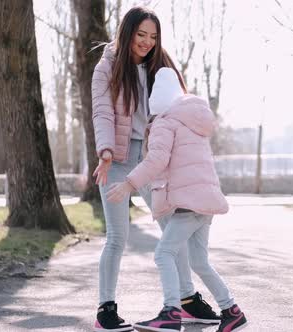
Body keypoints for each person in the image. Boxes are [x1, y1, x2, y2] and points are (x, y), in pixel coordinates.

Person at [91, 6, 220, 332]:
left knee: (173, 232)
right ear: (127, 32)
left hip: (154, 162)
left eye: (153, 36)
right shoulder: (106, 68)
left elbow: (180, 108)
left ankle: (188, 300)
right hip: (117, 160)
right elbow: (102, 113)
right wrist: (105, 151)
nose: (147, 42)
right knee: (117, 237)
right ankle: (106, 309)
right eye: (141, 35)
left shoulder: (162, 67)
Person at [106, 67, 249, 332]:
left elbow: (157, 159)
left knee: (164, 254)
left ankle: (171, 312)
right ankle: (232, 310)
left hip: (187, 203)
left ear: (156, 100)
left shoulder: (166, 121)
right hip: (206, 201)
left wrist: (129, 183)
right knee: (199, 262)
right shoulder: (195, 119)